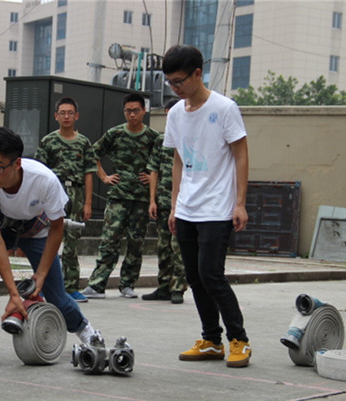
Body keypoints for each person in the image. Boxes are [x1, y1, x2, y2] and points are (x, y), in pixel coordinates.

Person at [0, 126, 97, 368]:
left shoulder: (44, 180)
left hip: (37, 229)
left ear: (17, 164)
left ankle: (85, 329)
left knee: (56, 295)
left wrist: (41, 275)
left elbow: (57, 228)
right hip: (2, 226)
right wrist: (14, 294)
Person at [162, 45, 252, 368]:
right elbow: (178, 161)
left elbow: (241, 155)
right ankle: (212, 340)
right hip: (187, 207)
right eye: (170, 82)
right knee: (194, 277)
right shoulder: (175, 113)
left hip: (217, 207)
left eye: (179, 81)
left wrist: (240, 203)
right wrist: (174, 206)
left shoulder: (224, 108)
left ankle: (239, 339)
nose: (175, 87)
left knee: (211, 274)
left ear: (198, 73)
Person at [81, 93, 159, 299]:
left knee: (136, 242)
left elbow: (161, 163)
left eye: (136, 111)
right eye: (128, 111)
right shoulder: (115, 134)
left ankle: (127, 284)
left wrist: (152, 178)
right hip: (118, 197)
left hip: (141, 199)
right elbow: (93, 153)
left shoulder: (153, 137)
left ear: (144, 111)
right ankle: (97, 285)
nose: (132, 115)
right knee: (109, 240)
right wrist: (104, 177)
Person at [34, 97, 96, 303]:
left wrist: (88, 203)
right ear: (56, 116)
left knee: (72, 242)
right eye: (63, 113)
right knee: (48, 240)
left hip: (76, 194)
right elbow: (40, 172)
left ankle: (71, 287)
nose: (66, 116)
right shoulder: (48, 141)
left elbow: (89, 172)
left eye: (70, 113)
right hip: (53, 193)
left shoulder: (84, 142)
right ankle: (44, 287)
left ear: (76, 116)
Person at [142, 99, 188, 304]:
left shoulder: (190, 137)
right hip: (162, 200)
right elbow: (153, 170)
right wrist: (152, 200)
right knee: (163, 246)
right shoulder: (161, 140)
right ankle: (163, 286)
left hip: (183, 202)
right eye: (168, 115)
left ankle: (178, 287)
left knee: (178, 246)